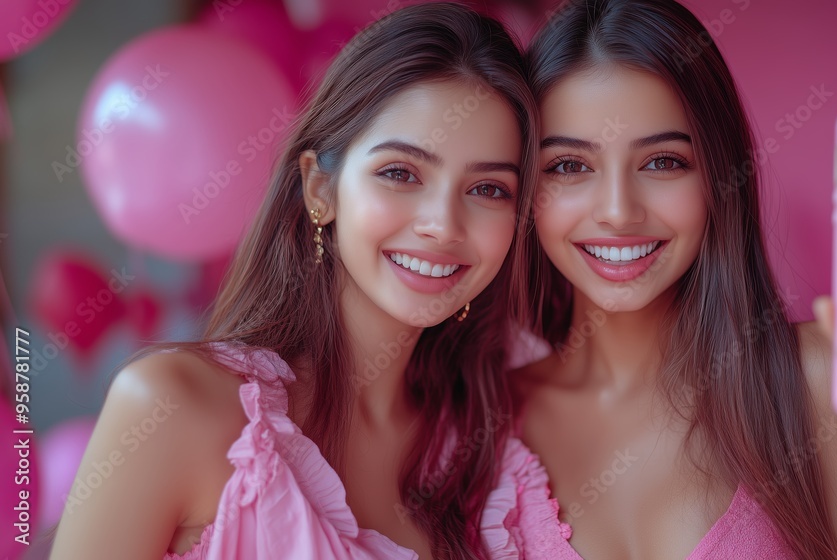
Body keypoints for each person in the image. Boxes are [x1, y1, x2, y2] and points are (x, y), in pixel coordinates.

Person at [508, 0, 837, 558]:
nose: (618, 212)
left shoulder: (817, 381)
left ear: (719, 176)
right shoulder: (485, 426)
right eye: (569, 166)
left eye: (663, 161)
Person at [49, 3, 540, 559]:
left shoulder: (495, 445)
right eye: (400, 173)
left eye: (488, 189)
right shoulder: (174, 404)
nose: (443, 225)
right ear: (319, 190)